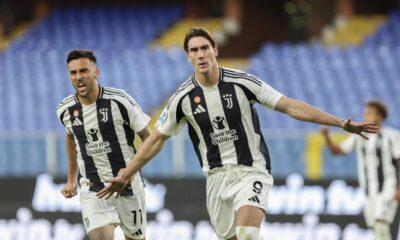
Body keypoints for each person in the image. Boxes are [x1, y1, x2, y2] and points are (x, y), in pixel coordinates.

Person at [96, 28, 378, 240]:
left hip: (250, 170)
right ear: (188, 57)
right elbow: (156, 139)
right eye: (194, 50)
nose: (200, 54)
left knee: (247, 232)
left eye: (205, 48)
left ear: (215, 50)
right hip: (216, 179)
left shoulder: (242, 83)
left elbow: (290, 106)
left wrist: (340, 123)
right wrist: (126, 174)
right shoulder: (183, 98)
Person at [56, 49, 150, 240]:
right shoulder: (65, 110)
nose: (78, 77)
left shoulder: (119, 101)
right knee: (99, 236)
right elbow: (70, 137)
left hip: (129, 185)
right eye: (73, 73)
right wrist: (72, 179)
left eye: (83, 71)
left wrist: (129, 173)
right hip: (94, 187)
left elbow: (149, 139)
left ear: (96, 73)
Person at [321, 100, 400, 240]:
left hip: (388, 187)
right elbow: (337, 151)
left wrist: (399, 188)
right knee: (377, 226)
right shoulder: (359, 136)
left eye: (369, 113)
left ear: (379, 116)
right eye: (365, 113)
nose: (365, 116)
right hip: (369, 190)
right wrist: (327, 137)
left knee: (380, 221)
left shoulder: (392, 136)